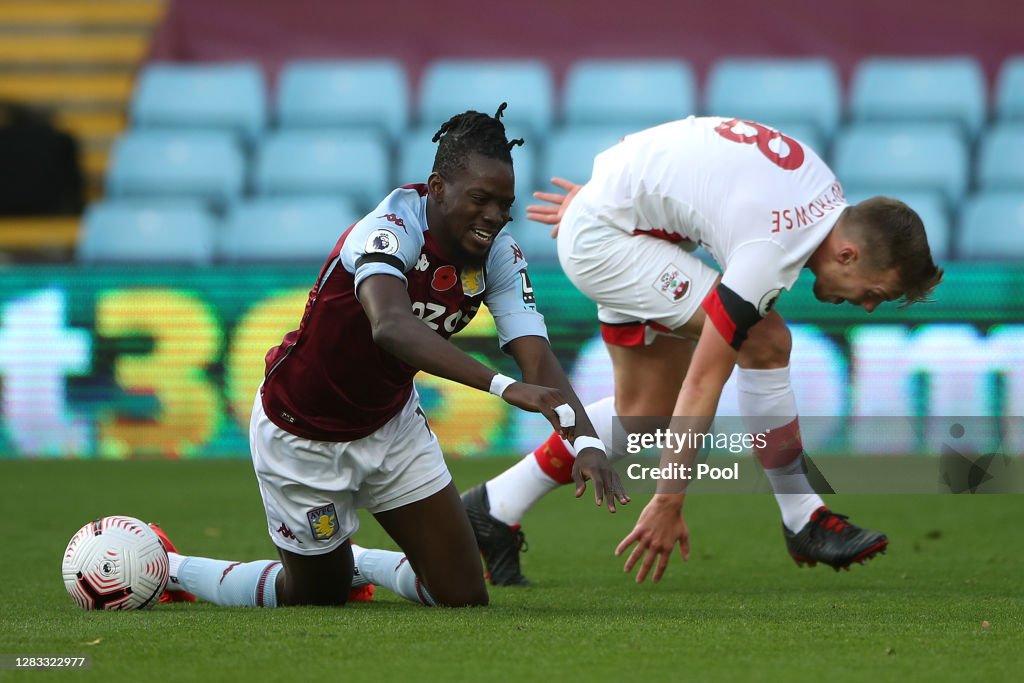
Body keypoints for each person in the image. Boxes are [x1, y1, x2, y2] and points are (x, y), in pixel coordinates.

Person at [153, 104, 629, 609]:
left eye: (504, 204)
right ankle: (171, 568)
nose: (494, 216)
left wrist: (584, 443)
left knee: (464, 595)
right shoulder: (390, 228)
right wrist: (504, 388)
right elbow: (391, 327)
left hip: (391, 428)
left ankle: (353, 559)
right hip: (301, 430)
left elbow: (538, 359)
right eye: (481, 199)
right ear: (438, 187)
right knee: (316, 597)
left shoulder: (500, 257)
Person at [461, 116, 943, 585]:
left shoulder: (824, 195)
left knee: (643, 417)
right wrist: (669, 499)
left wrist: (604, 197)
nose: (870, 307)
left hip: (616, 224)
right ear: (848, 255)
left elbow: (700, 156)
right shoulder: (773, 248)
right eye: (876, 292)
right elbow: (704, 379)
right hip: (609, 241)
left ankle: (493, 507)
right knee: (767, 341)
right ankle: (803, 518)